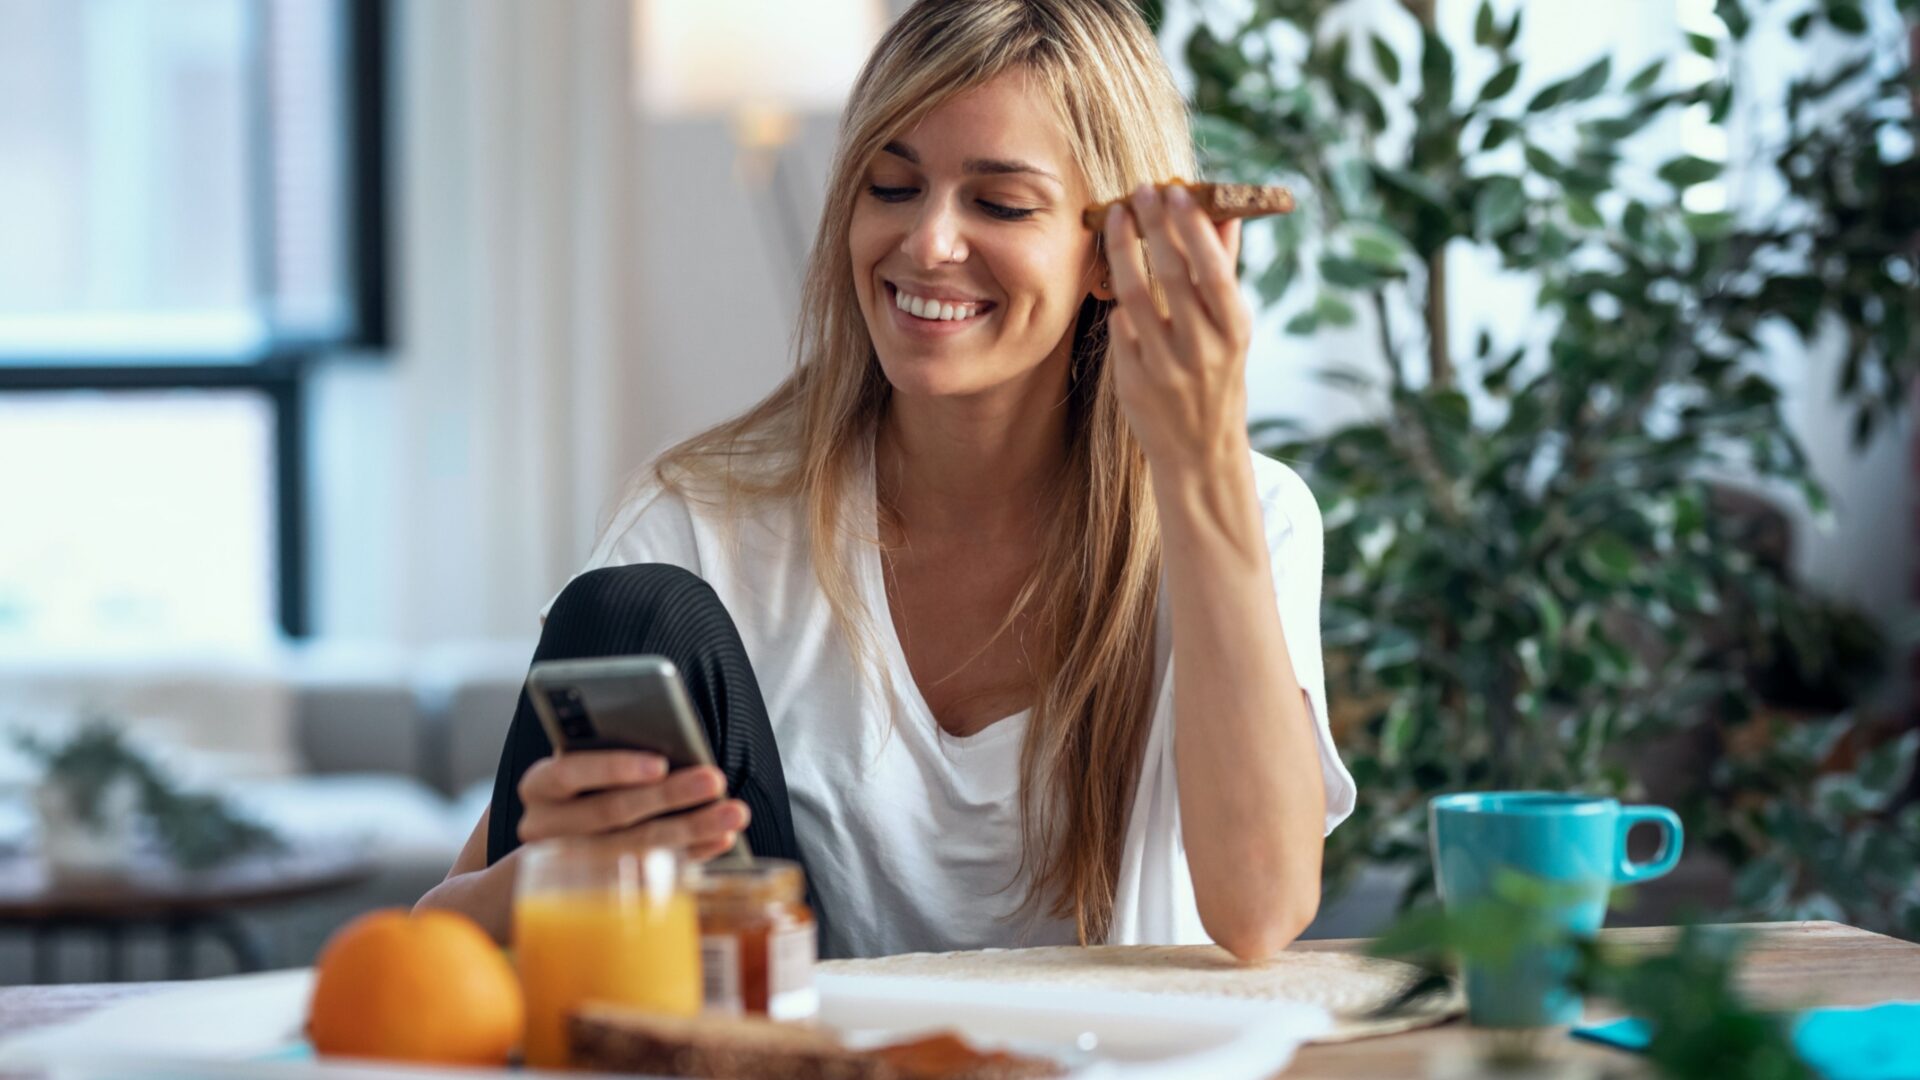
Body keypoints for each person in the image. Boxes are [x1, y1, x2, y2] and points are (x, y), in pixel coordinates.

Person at [416, 0, 1354, 961]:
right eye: (892, 185)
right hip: (785, 1054)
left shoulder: (1250, 512)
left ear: (1113, 254)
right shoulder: (703, 525)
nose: (927, 242)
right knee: (631, 609)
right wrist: (540, 888)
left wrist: (1198, 470)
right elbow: (440, 934)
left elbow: (1260, 911)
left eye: (998, 203)